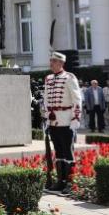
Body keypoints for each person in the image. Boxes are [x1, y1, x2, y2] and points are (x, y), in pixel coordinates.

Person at [41, 52, 82, 195]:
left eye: (53, 61)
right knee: (58, 151)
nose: (51, 64)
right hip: (53, 121)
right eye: (51, 61)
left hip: (66, 120)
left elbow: (77, 99)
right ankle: (60, 181)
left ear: (60, 63)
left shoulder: (69, 77)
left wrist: (75, 118)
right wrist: (46, 118)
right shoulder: (48, 79)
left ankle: (70, 182)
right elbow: (46, 100)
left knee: (68, 151)